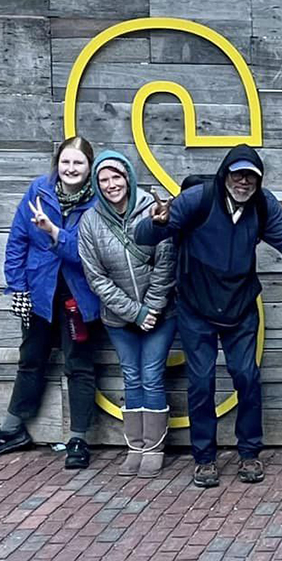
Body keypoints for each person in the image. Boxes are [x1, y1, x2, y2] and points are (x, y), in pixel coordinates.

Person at [135, 144, 282, 489]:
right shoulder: (197, 199)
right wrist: (158, 224)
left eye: (251, 176)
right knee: (201, 383)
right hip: (196, 307)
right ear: (225, 174)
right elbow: (145, 236)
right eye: (237, 174)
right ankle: (204, 460)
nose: (243, 181)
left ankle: (249, 453)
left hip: (240, 307)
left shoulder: (263, 204)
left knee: (246, 376)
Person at [0, 136, 101, 469]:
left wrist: (55, 232)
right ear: (57, 163)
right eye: (66, 161)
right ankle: (12, 429)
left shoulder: (97, 204)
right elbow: (17, 240)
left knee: (79, 365)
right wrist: (18, 287)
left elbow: (84, 254)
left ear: (89, 168)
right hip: (40, 293)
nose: (71, 169)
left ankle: (78, 439)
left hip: (78, 297)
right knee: (30, 359)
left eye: (78, 163)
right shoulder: (38, 192)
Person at [78, 151, 177, 476]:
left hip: (159, 314)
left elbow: (166, 260)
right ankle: (134, 445)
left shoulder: (151, 209)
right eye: (103, 180)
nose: (111, 185)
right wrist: (134, 312)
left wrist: (152, 308)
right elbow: (96, 278)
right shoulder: (91, 222)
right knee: (131, 375)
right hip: (120, 318)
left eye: (116, 177)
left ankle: (154, 447)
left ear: (128, 178)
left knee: (151, 373)